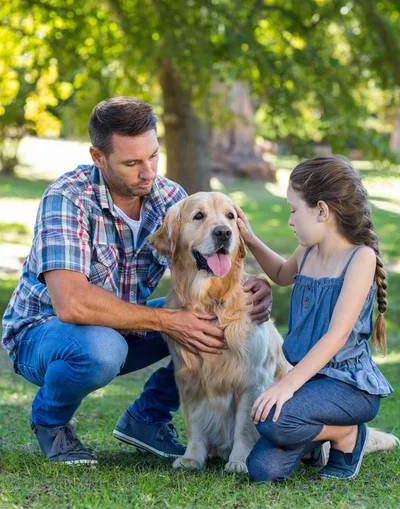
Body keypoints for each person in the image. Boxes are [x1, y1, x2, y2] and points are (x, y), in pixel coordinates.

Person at [1, 96, 272, 465]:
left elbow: (205, 258)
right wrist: (168, 321)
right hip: (45, 333)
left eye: (153, 157)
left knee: (209, 322)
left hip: (124, 323)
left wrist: (249, 286)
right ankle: (51, 423)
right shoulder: (67, 198)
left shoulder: (171, 199)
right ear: (98, 157)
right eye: (132, 163)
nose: (148, 172)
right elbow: (72, 303)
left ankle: (146, 418)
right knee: (105, 349)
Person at [235, 155, 393, 481]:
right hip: (313, 383)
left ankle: (346, 435)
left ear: (322, 211)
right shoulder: (307, 252)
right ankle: (315, 442)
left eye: (294, 210)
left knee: (272, 420)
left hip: (349, 387)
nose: (290, 221)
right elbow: (280, 274)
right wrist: (249, 238)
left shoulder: (359, 258)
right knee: (262, 470)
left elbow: (336, 336)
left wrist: (286, 386)